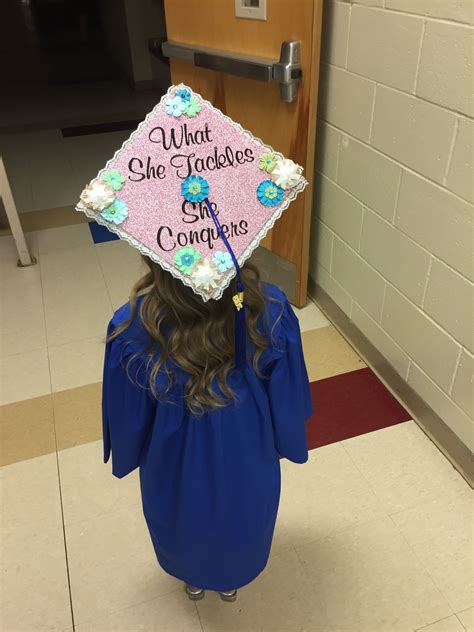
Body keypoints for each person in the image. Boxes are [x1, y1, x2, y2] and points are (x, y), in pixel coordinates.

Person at [102, 256, 312, 601]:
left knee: (182, 512)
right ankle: (230, 578)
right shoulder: (269, 308)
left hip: (173, 451)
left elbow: (128, 414)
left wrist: (130, 451)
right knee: (242, 511)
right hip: (246, 440)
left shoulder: (134, 323)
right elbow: (287, 395)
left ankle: (193, 577)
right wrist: (284, 439)